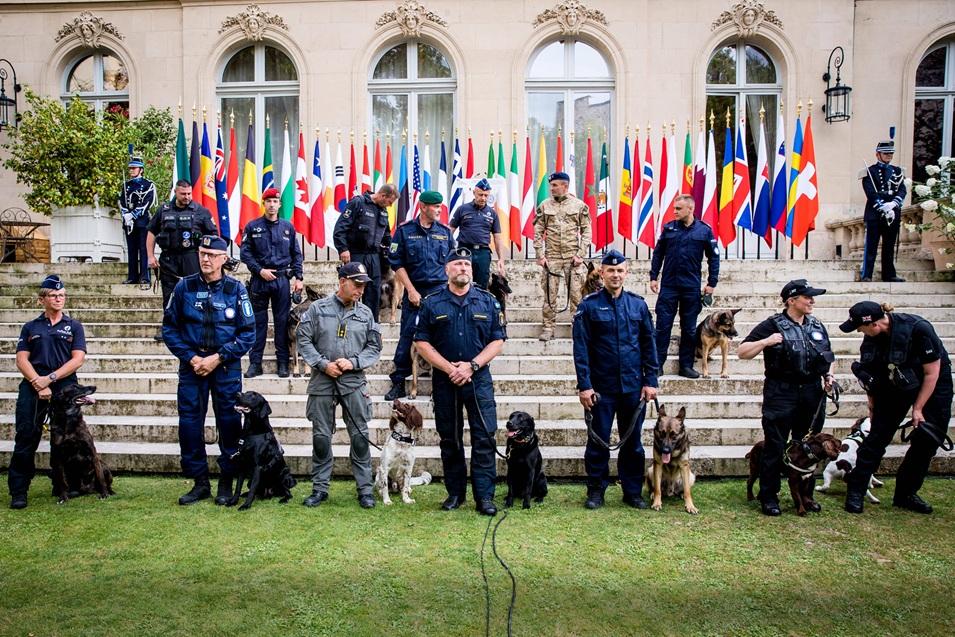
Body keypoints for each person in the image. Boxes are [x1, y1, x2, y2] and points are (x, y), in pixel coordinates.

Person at [162, 235, 256, 506]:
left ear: (223, 259)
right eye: (202, 253)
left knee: (229, 424)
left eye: (211, 255)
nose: (205, 259)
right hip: (192, 368)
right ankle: (199, 482)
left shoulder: (236, 290)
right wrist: (192, 358)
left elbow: (248, 332)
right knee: (190, 424)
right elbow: (169, 329)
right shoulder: (184, 288)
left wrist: (218, 357)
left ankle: (226, 480)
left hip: (225, 368)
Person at [414, 247, 507, 515]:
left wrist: (472, 365)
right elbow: (421, 341)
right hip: (446, 382)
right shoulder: (432, 303)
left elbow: (497, 340)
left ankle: (484, 497)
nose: (463, 268)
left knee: (484, 438)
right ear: (447, 270)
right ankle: (455, 493)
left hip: (478, 380)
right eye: (457, 264)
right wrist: (448, 368)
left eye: (467, 264)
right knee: (450, 439)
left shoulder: (488, 301)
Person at [840, 301, 952, 514]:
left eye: (859, 327)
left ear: (873, 324)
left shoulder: (919, 328)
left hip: (932, 381)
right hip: (893, 382)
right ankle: (856, 489)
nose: (859, 331)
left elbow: (932, 373)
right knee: (877, 436)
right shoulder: (872, 337)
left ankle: (906, 493)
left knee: (928, 438)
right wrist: (872, 402)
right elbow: (870, 373)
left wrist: (918, 409)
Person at [738, 280, 836, 516]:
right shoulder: (773, 324)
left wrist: (829, 376)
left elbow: (828, 356)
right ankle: (769, 496)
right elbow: (742, 352)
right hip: (781, 392)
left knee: (809, 447)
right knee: (775, 445)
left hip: (812, 392)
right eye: (807, 297)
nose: (812, 301)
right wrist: (765, 342)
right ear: (792, 300)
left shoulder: (816, 324)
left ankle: (805, 496)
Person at [572, 249, 659, 510]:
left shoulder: (638, 305)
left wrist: (651, 379)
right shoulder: (588, 306)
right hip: (601, 387)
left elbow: (648, 343)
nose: (616, 275)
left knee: (632, 444)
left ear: (627, 273)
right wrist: (584, 385)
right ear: (602, 272)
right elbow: (581, 349)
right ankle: (596, 491)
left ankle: (632, 492)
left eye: (620, 270)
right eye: (610, 270)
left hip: (633, 386)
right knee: (597, 441)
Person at [296, 262, 382, 509]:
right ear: (342, 281)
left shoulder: (366, 313)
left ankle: (365, 490)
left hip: (353, 382)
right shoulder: (317, 309)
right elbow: (303, 339)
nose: (361, 290)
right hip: (322, 382)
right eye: (356, 285)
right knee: (321, 438)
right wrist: (323, 364)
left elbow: (374, 347)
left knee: (360, 437)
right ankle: (320, 489)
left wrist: (354, 362)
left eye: (364, 286)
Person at [8, 276, 86, 510]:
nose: (58, 299)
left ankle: (66, 483)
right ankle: (19, 490)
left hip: (64, 386)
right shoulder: (31, 327)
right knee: (26, 436)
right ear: (42, 299)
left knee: (67, 439)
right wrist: (38, 383)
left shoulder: (74, 326)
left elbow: (78, 359)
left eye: (61, 295)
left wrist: (50, 379)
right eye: (53, 295)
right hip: (33, 386)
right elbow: (21, 359)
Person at [384, 190, 455, 402]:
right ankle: (398, 381)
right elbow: (396, 263)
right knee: (408, 333)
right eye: (435, 207)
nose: (439, 210)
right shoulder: (405, 232)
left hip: (440, 291)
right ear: (423, 207)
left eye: (440, 206)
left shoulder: (445, 232)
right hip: (415, 290)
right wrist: (411, 290)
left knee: (443, 335)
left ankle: (442, 380)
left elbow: (451, 262)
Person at [649, 194, 720, 379]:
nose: (674, 212)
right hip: (669, 286)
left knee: (688, 329)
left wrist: (712, 283)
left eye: (678, 209)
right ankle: (657, 365)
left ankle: (686, 366)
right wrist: (653, 276)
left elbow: (714, 257)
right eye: (674, 208)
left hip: (690, 287)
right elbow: (658, 253)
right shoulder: (669, 228)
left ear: (690, 209)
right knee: (663, 326)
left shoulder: (704, 231)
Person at [240, 187, 304, 379]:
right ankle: (255, 363)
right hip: (260, 280)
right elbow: (245, 253)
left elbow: (296, 254)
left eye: (275, 201)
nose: (272, 205)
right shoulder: (253, 227)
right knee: (258, 323)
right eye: (268, 201)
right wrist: (259, 270)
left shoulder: (287, 227)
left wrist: (299, 278)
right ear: (263, 203)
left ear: (279, 204)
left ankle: (283, 363)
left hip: (282, 280)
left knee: (282, 323)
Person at [146, 180, 219, 341]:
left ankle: (194, 329)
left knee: (194, 294)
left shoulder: (201, 211)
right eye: (183, 194)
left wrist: (210, 259)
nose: (187, 197)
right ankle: (170, 331)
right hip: (168, 260)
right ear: (175, 192)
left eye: (189, 194)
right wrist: (150, 256)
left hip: (192, 258)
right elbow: (151, 232)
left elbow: (214, 236)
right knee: (169, 296)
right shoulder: (163, 210)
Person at [533, 171, 591, 342]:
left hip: (572, 258)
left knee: (576, 295)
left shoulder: (579, 205)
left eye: (554, 185)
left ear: (564, 186)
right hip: (552, 258)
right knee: (550, 295)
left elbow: (586, 230)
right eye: (551, 185)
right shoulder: (544, 206)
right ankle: (548, 327)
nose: (551, 188)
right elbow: (538, 231)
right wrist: (540, 255)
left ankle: (578, 327)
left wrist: (580, 254)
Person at [332, 184, 398, 320]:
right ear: (383, 196)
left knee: (373, 293)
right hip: (356, 255)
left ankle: (371, 327)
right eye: (390, 202)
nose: (390, 206)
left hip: (374, 257)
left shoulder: (383, 211)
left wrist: (394, 251)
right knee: (353, 290)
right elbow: (340, 229)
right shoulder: (358, 203)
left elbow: (387, 237)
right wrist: (343, 249)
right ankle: (349, 323)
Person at [860, 139, 907, 283]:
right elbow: (870, 192)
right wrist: (882, 206)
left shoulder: (898, 171)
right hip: (875, 214)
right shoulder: (869, 171)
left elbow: (902, 189)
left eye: (890, 154)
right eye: (885, 153)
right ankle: (866, 274)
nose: (888, 156)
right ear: (877, 154)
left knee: (889, 245)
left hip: (892, 214)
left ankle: (889, 274)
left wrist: (893, 204)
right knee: (871, 246)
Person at [449, 178, 507, 289]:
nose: (483, 198)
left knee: (481, 285)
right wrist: (448, 251)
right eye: (480, 195)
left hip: (483, 253)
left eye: (486, 195)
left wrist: (501, 259)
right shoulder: (462, 209)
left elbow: (497, 238)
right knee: (462, 282)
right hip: (464, 251)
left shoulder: (492, 213)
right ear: (474, 193)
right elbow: (450, 230)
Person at [118, 156, 156, 284]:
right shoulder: (126, 185)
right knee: (132, 250)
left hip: (142, 222)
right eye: (130, 168)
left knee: (144, 249)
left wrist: (133, 215)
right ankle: (132, 276)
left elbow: (147, 203)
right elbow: (121, 202)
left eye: (134, 168)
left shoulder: (148, 185)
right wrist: (125, 215)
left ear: (141, 169)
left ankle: (145, 277)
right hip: (128, 223)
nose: (131, 171)